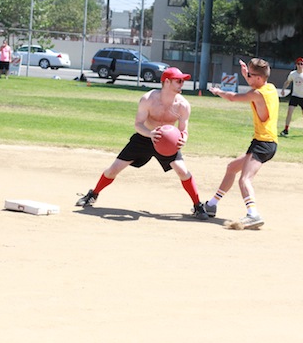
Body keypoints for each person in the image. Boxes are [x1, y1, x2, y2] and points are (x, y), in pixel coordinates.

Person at [76, 67, 209, 220]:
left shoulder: (183, 105)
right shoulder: (148, 99)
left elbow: (183, 129)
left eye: (183, 80)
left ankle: (197, 205)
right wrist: (150, 133)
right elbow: (138, 124)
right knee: (113, 170)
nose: (182, 83)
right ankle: (93, 194)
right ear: (166, 82)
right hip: (144, 137)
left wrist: (183, 138)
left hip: (167, 141)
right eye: (178, 80)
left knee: (183, 171)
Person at [205, 58, 279, 229]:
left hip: (263, 143)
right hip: (267, 142)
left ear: (259, 79)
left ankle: (253, 214)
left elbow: (233, 98)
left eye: (251, 76)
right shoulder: (270, 88)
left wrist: (218, 92)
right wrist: (247, 74)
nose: (248, 78)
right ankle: (211, 204)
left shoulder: (257, 94)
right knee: (232, 167)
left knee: (244, 180)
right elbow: (255, 83)